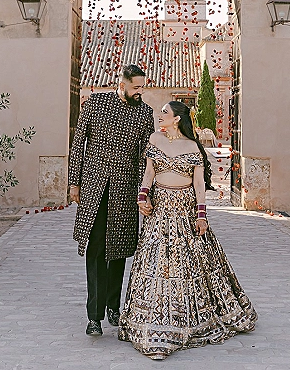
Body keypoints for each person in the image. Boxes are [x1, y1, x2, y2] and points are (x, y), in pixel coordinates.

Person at [118, 100, 257, 360]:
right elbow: (148, 173)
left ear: (177, 119)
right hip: (158, 214)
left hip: (184, 212)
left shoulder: (192, 147)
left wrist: (201, 216)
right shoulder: (155, 140)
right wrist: (142, 197)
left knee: (186, 265)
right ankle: (151, 321)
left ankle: (187, 320)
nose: (160, 117)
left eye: (165, 114)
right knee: (156, 264)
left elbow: (199, 187)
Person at [68, 64, 154, 336]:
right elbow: (78, 142)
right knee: (94, 251)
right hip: (94, 186)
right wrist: (74, 182)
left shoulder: (145, 113)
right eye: (136, 86)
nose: (140, 91)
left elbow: (144, 157)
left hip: (125, 189)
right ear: (123, 83)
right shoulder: (95, 103)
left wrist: (144, 192)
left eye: (142, 87)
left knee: (118, 251)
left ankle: (113, 307)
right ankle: (93, 317)